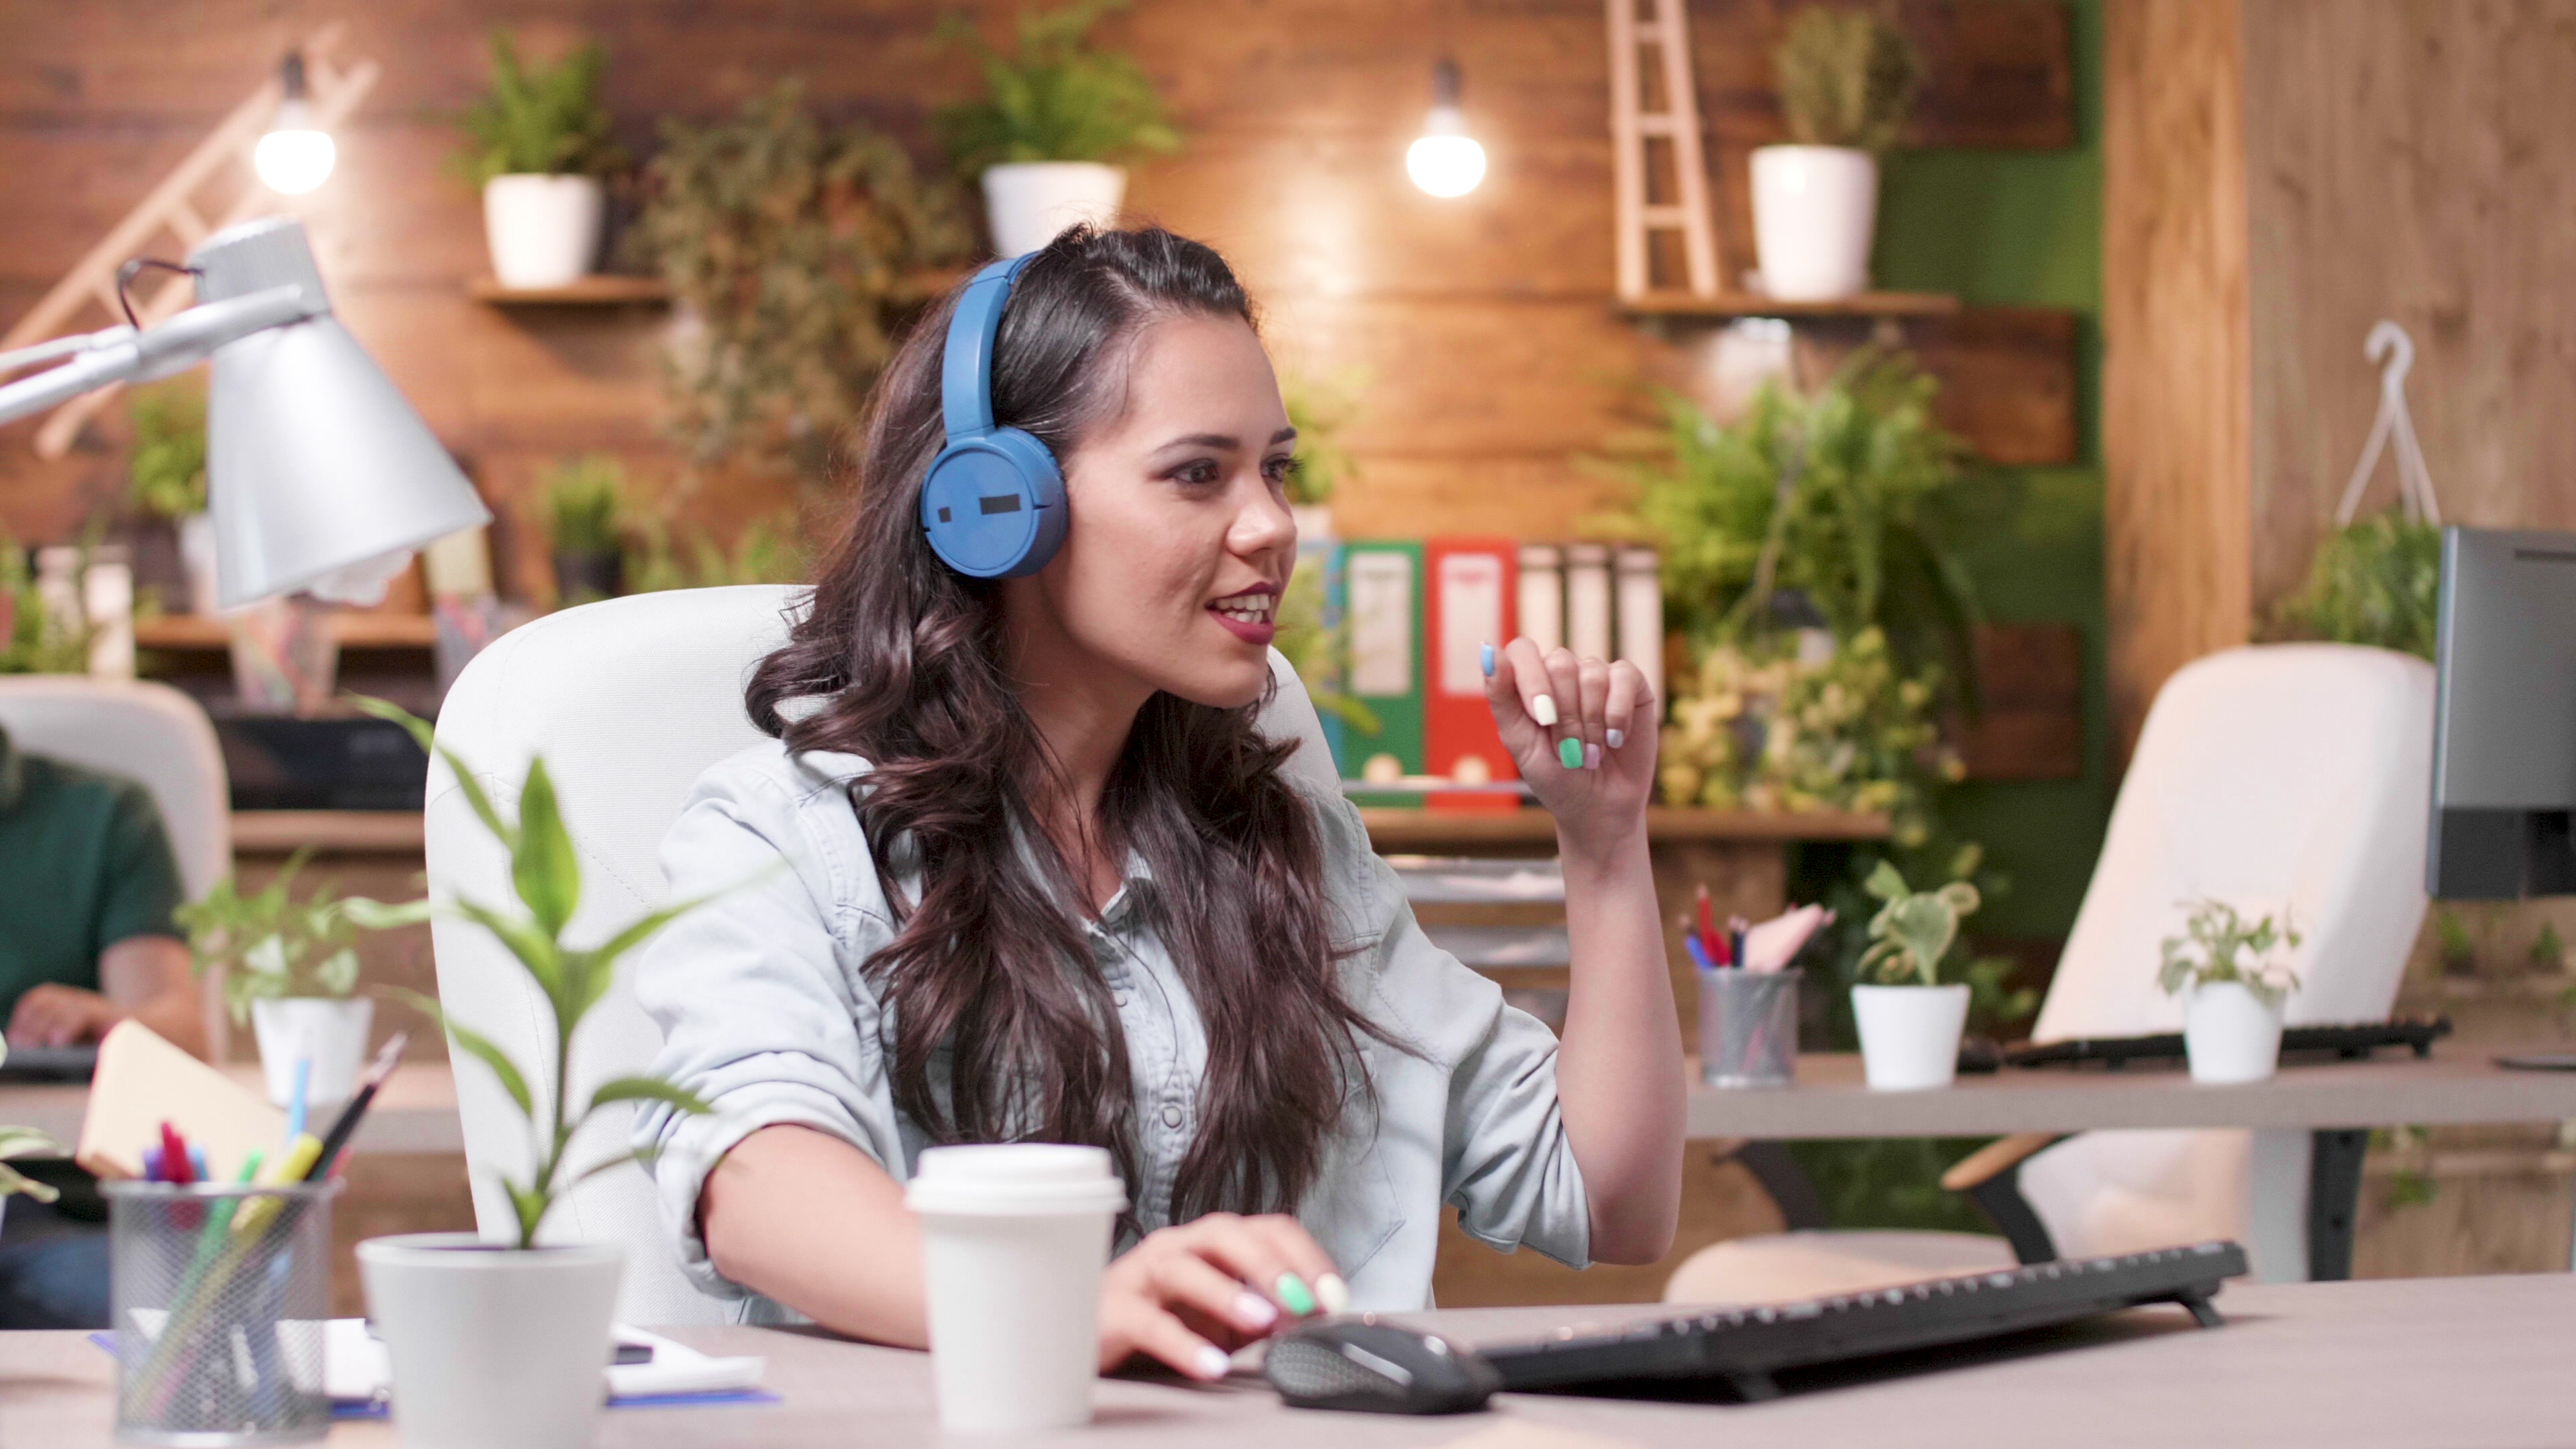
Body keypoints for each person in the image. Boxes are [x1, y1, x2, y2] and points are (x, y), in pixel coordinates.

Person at [633, 226, 1683, 1381]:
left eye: (1273, 469)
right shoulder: (789, 835)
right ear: (997, 507)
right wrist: (1063, 1307)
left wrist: (1604, 847)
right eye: (1199, 473)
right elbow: (754, 1180)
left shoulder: (1276, 825)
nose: (1271, 525)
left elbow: (1607, 1200)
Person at [0, 719, 205, 1330]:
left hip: (59, 1211)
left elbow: (185, 1034)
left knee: (171, 1306)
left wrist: (102, 1018)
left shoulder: (104, 814)